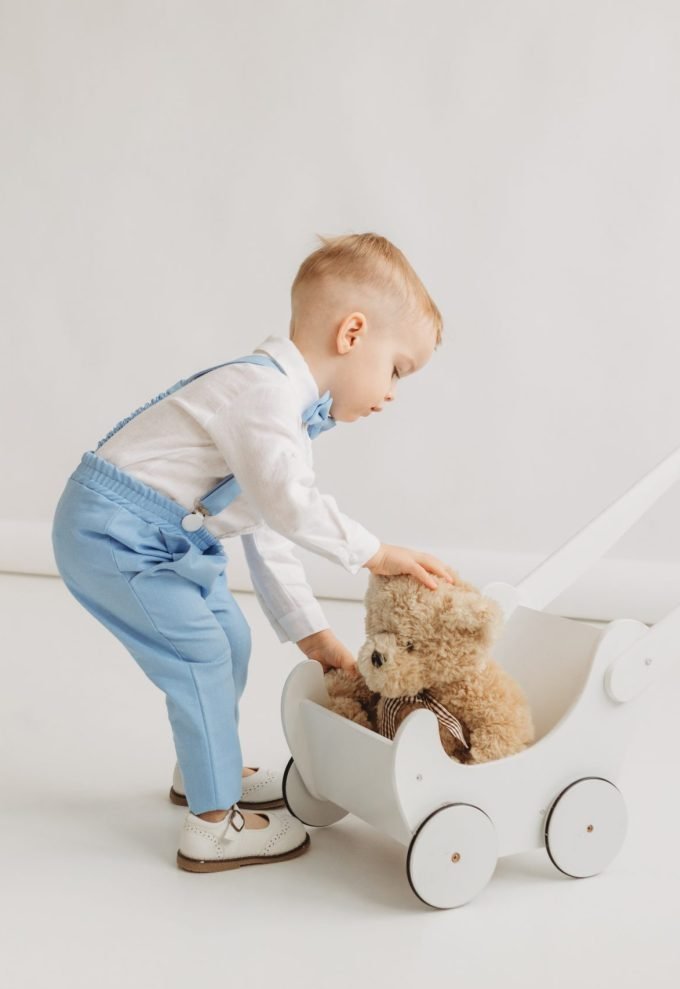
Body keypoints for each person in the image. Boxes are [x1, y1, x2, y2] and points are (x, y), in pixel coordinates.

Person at [51, 231, 454, 872]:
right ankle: (213, 826)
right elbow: (292, 507)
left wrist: (314, 637)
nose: (392, 393)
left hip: (169, 539)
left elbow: (269, 527)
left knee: (229, 639)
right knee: (201, 655)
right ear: (352, 334)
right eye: (397, 369)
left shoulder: (282, 414)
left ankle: (206, 768)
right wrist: (376, 553)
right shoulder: (260, 395)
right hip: (114, 533)